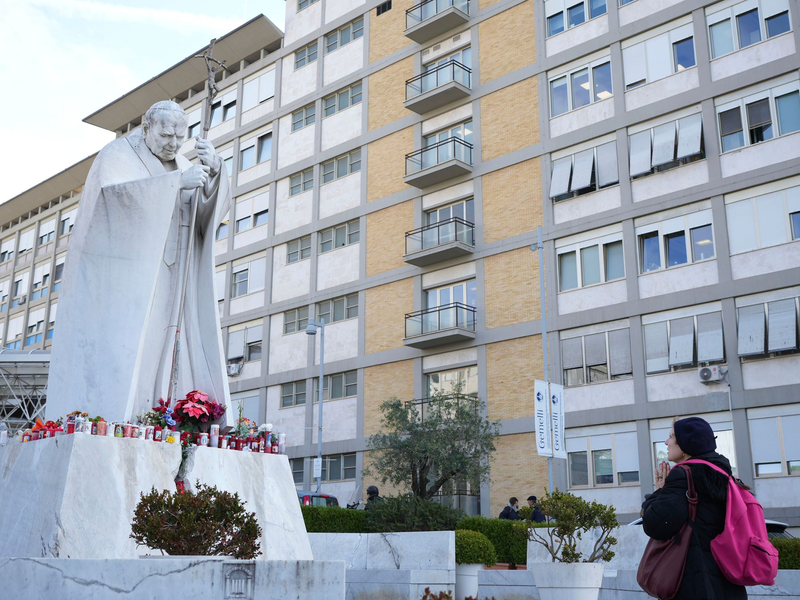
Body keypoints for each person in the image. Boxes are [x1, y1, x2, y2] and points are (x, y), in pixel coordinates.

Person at [47, 101, 232, 423]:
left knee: (170, 352)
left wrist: (215, 174)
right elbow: (111, 200)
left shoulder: (183, 163)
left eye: (179, 136)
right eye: (165, 135)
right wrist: (175, 184)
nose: (173, 144)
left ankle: (162, 417)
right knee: (132, 350)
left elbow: (204, 219)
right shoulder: (117, 154)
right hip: (132, 278)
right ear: (146, 128)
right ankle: (126, 418)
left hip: (175, 276)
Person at [641, 417, 747, 600]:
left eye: (671, 437)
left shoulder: (683, 476)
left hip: (694, 580)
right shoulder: (724, 475)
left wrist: (658, 492)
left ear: (685, 445)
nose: (666, 442)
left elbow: (654, 524)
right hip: (728, 582)